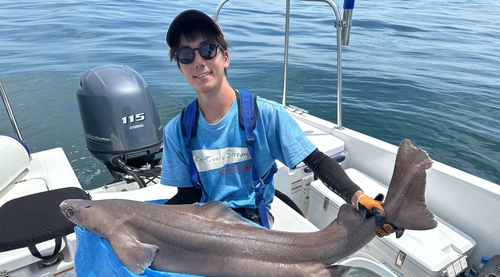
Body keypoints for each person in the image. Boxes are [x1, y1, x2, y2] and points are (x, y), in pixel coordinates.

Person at [161, 9, 393, 236]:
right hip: (206, 224)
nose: (198, 62)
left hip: (254, 224)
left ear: (225, 58)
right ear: (180, 67)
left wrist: (358, 197)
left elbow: (316, 161)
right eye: (186, 55)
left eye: (207, 50)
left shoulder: (265, 114)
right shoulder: (177, 130)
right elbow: (188, 194)